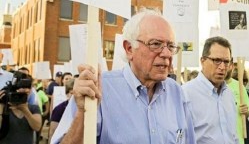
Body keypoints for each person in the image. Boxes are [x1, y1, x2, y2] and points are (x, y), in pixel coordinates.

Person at [51, 9, 196, 144]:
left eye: (170, 46)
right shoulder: (98, 88)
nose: (166, 54)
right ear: (129, 49)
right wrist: (82, 114)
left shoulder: (176, 93)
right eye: (156, 44)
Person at [182, 36, 239, 144]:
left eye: (226, 61)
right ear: (203, 61)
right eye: (217, 60)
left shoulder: (229, 95)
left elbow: (233, 135)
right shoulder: (185, 94)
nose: (222, 67)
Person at [0, 73, 42, 144]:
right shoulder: (4, 107)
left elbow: (37, 127)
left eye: (27, 87)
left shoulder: (33, 108)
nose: (23, 90)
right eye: (20, 87)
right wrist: (1, 105)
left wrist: (25, 110)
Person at [230, 67, 249, 144]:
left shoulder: (248, 94)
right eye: (239, 80)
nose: (242, 83)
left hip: (246, 132)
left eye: (245, 80)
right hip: (234, 133)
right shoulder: (227, 90)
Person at [48, 78, 75, 142]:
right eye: (72, 93)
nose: (74, 96)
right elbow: (52, 132)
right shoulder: (59, 109)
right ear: (67, 94)